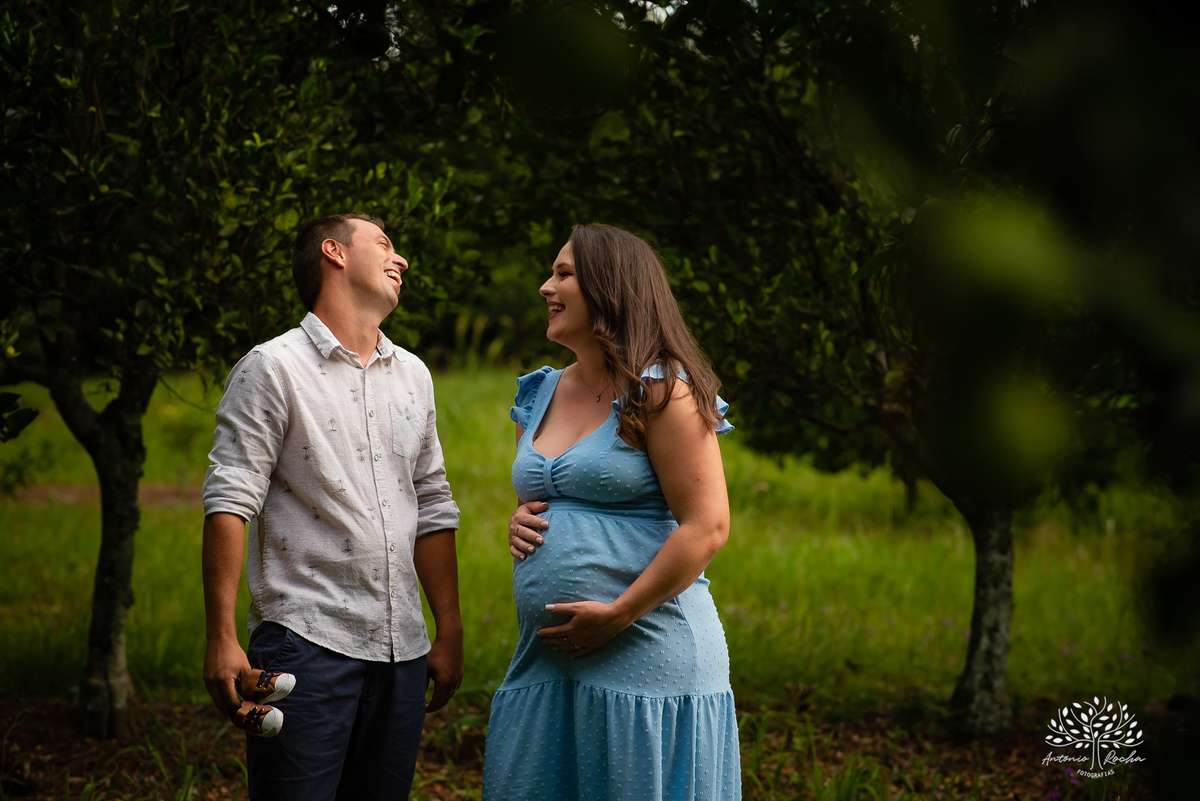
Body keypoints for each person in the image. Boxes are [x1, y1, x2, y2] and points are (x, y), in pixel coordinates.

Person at [201, 213, 463, 800]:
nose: (401, 260)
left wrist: (450, 629)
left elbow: (434, 506)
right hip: (304, 643)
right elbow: (229, 499)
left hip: (403, 652)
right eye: (385, 245)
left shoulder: (414, 376)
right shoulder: (272, 367)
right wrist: (221, 634)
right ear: (334, 253)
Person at [483, 224, 741, 800]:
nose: (546, 287)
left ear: (611, 288)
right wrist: (520, 518)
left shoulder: (662, 391)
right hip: (548, 663)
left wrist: (619, 613)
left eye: (564, 274)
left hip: (646, 649)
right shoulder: (540, 392)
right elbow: (559, 495)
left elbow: (708, 525)